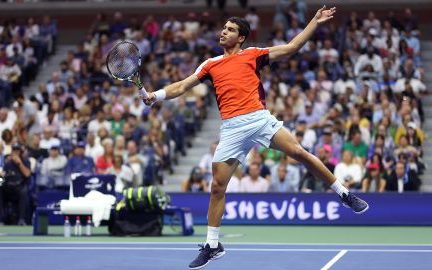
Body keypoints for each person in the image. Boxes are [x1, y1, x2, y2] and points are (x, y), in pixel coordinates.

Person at [142, 7, 368, 269]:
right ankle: (213, 246)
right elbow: (181, 86)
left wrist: (314, 22)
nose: (223, 32)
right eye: (223, 28)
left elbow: (292, 46)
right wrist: (155, 96)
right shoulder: (210, 65)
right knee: (217, 186)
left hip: (258, 119)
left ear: (241, 37)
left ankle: (344, 194)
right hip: (231, 128)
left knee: (300, 154)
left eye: (229, 29)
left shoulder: (253, 55)